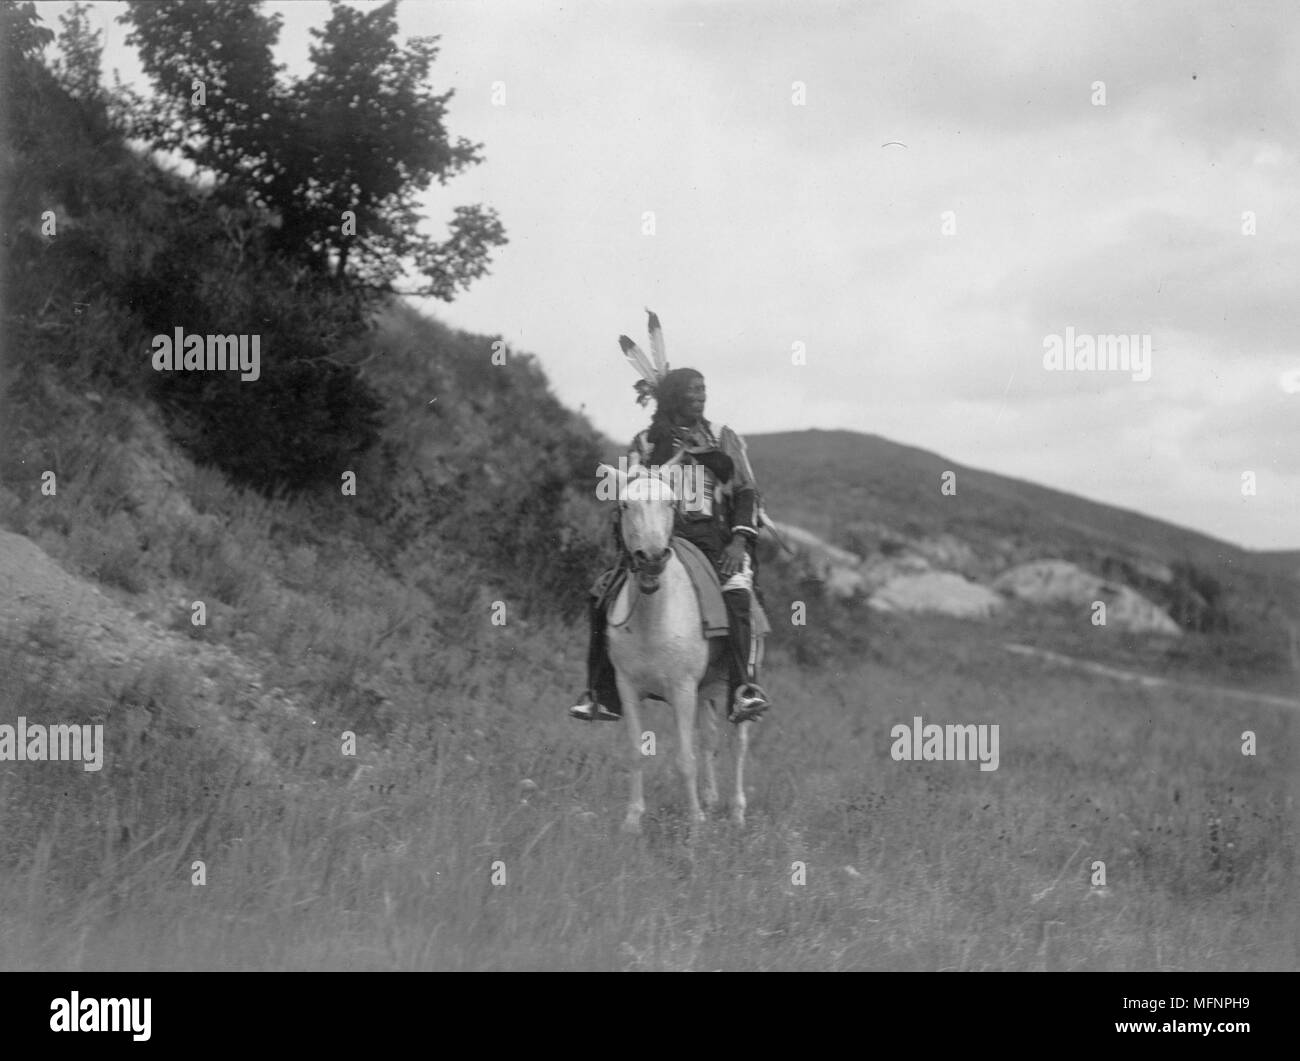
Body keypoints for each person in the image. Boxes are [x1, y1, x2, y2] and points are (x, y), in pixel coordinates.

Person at [569, 366, 772, 725]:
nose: (701, 396)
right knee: (601, 595)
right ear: (674, 396)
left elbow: (746, 491)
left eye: (703, 390)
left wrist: (739, 541)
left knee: (737, 593)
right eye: (693, 390)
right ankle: (602, 694)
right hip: (656, 535)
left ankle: (743, 690)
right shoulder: (646, 442)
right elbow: (630, 490)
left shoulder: (722, 437)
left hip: (711, 539)